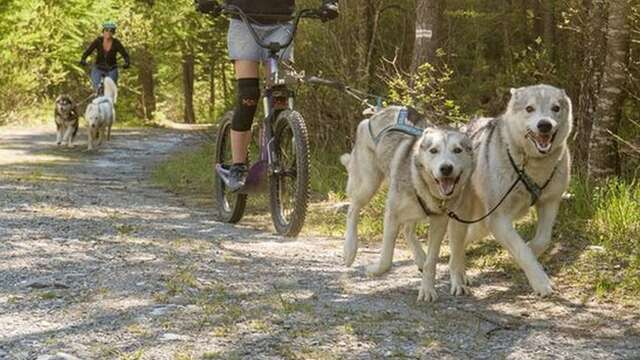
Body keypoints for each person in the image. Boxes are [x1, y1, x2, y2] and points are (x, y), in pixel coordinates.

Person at [196, 0, 339, 192]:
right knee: (249, 96)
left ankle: (277, 151)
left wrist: (330, 3)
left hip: (282, 23)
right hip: (243, 21)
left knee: (280, 92)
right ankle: (237, 167)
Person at [80, 21, 131, 92]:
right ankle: (98, 96)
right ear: (103, 31)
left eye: (111, 31)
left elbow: (125, 54)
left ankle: (110, 100)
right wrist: (83, 59)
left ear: (113, 33)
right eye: (106, 30)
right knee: (97, 86)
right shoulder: (98, 41)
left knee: (111, 89)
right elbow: (88, 51)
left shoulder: (116, 43)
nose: (108, 32)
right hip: (98, 68)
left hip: (111, 68)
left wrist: (127, 62)